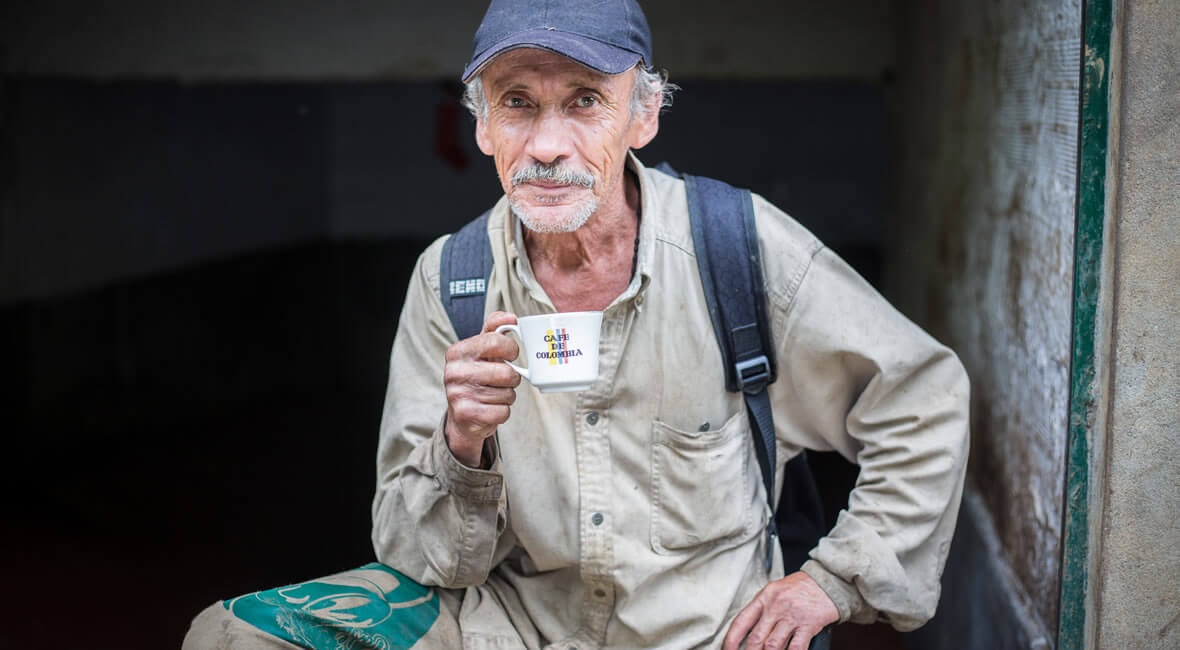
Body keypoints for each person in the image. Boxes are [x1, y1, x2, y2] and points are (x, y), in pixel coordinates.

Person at [183, 1, 970, 648]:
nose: (548, 146)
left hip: (705, 632)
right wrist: (461, 443)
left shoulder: (737, 245)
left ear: (644, 116)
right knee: (231, 637)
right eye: (517, 103)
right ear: (483, 126)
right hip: (510, 625)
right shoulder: (451, 278)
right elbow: (417, 557)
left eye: (586, 100)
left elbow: (921, 398)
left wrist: (831, 581)